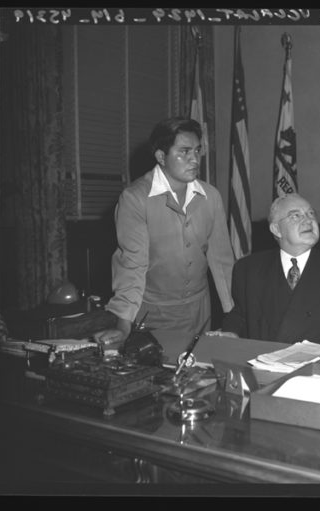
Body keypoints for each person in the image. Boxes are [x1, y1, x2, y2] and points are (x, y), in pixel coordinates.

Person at [97, 117, 235, 353]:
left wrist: (234, 316)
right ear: (162, 157)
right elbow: (132, 266)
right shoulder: (135, 199)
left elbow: (222, 262)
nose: (194, 159)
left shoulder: (210, 196)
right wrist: (123, 325)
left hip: (201, 311)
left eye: (197, 150)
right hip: (155, 314)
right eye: (184, 151)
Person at [217, 193, 320, 348]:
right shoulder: (248, 268)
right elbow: (241, 315)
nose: (308, 220)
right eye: (296, 216)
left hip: (317, 366)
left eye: (311, 213)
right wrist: (231, 333)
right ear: (276, 229)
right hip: (262, 363)